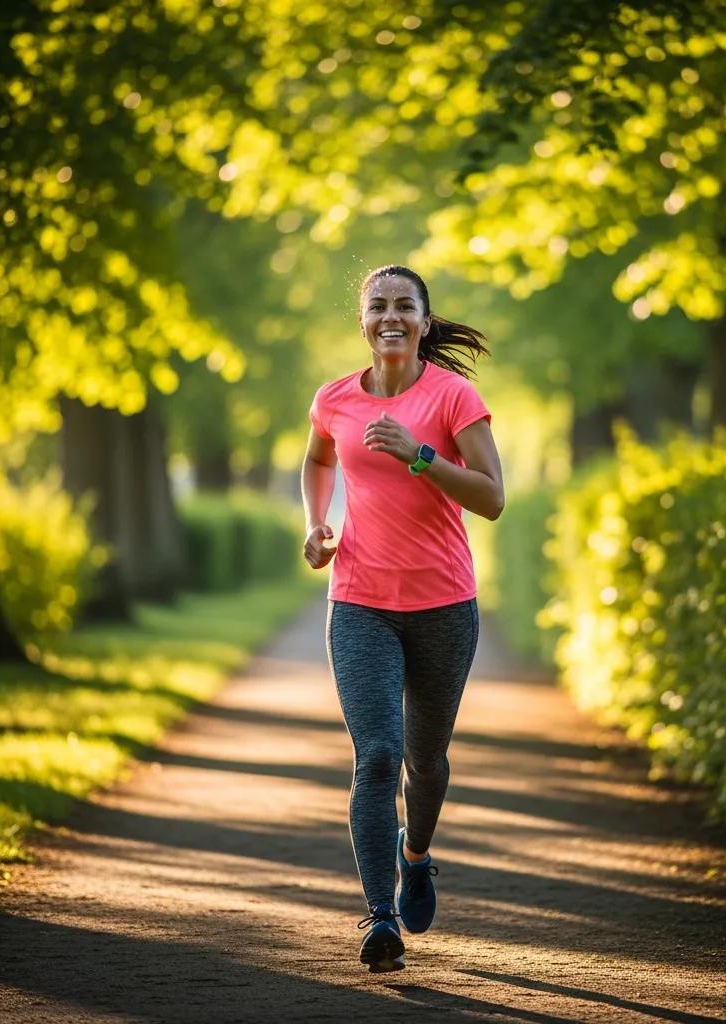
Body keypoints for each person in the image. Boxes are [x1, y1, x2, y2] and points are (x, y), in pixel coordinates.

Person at [301, 264, 504, 973]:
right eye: (378, 306)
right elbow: (318, 460)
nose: (391, 316)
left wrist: (420, 456)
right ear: (363, 322)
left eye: (404, 306)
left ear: (423, 320)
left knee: (426, 761)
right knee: (378, 756)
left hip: (444, 605)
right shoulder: (334, 398)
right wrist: (315, 525)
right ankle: (380, 916)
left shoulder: (453, 396)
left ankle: (415, 855)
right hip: (360, 603)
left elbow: (492, 498)